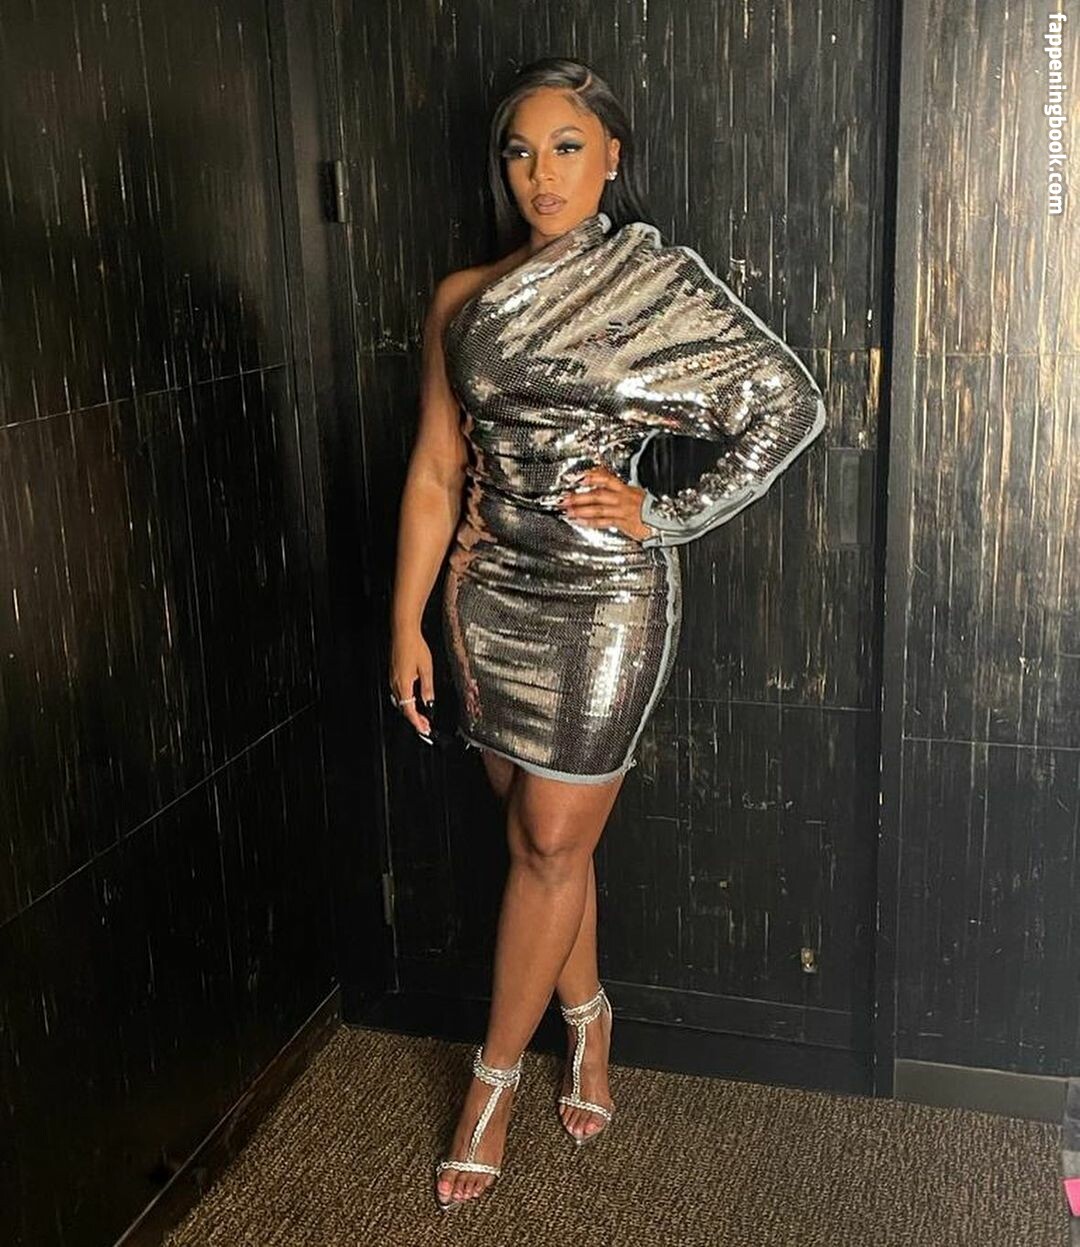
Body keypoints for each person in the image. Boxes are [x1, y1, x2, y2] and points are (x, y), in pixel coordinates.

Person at [388, 56, 826, 1211]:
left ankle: (488, 1087)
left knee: (547, 839)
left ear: (612, 157)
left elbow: (788, 402)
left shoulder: (653, 282)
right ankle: (587, 1014)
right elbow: (435, 469)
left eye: (568, 147)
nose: (542, 174)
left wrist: (664, 509)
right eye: (521, 152)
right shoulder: (463, 296)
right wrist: (406, 623)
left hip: (605, 599)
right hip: (486, 592)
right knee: (543, 844)